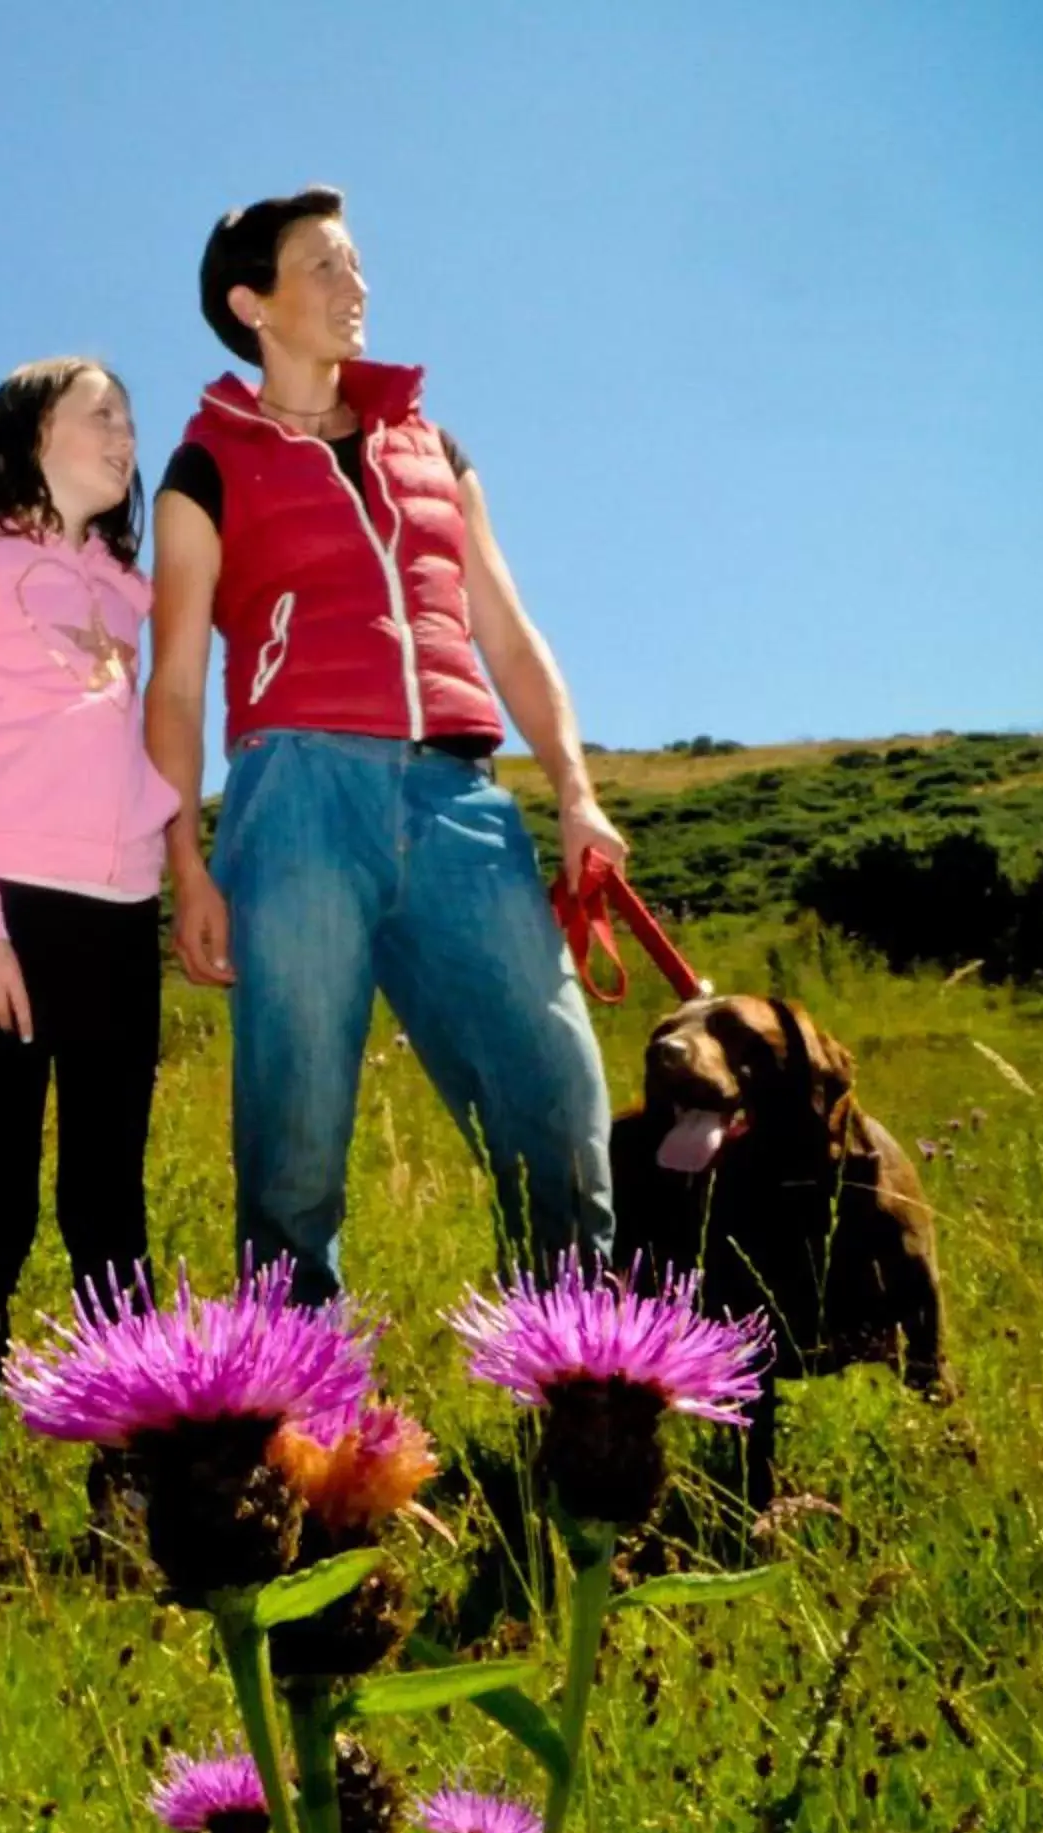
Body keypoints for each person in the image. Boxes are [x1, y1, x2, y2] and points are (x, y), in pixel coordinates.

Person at [144, 186, 623, 1304]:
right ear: (251, 303)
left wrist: (575, 789)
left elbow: (502, 622)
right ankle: (303, 1440)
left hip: (462, 800)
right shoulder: (205, 466)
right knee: (295, 1140)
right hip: (297, 797)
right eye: (326, 266)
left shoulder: (432, 446)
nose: (355, 285)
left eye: (357, 264)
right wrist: (186, 863)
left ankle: (585, 1407)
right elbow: (170, 685)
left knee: (558, 1102)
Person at [0, 357, 177, 1579]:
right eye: (97, 413)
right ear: (28, 436)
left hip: (123, 918)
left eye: (128, 416)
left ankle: (125, 1493)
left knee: (110, 1211)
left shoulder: (134, 592)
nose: (123, 432)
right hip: (10, 915)